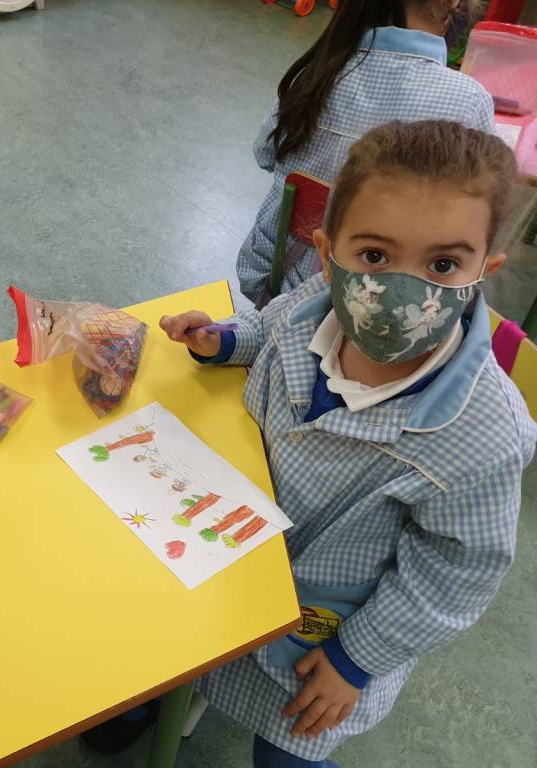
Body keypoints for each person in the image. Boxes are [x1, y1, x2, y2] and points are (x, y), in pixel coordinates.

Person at [158, 120, 535, 766]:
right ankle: (151, 706)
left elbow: (454, 573)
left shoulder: (485, 433)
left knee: (286, 750)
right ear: (327, 253)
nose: (400, 292)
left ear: (484, 269)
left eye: (443, 264)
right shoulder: (317, 301)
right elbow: (270, 327)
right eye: (375, 257)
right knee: (171, 652)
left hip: (322, 636)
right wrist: (224, 341)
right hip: (226, 555)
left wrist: (356, 658)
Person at [237, 0, 495, 305]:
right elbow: (475, 217)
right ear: (452, 4)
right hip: (384, 304)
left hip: (280, 282)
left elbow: (264, 154)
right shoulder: (469, 101)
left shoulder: (316, 72)